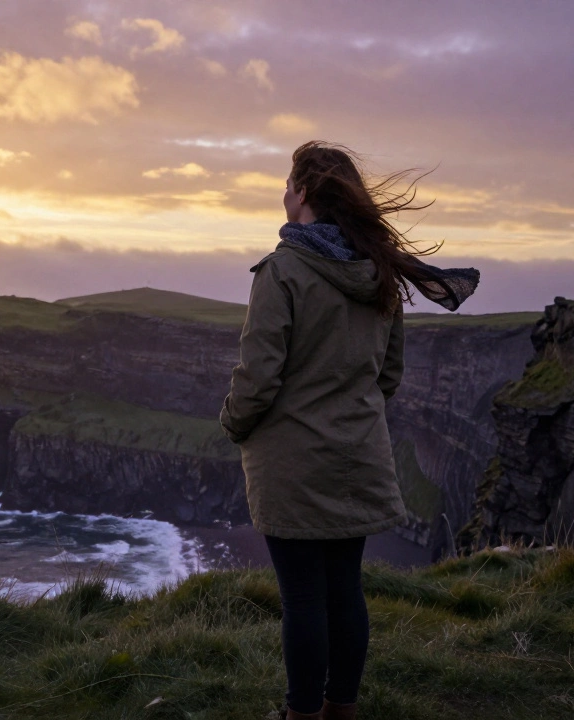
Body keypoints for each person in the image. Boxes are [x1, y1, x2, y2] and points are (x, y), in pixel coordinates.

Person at [219, 141, 479, 720]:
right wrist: (349, 414)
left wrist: (234, 424)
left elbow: (258, 377)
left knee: (303, 598)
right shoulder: (378, 273)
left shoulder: (282, 271)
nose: (284, 195)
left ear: (304, 193)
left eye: (288, 185)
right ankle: (342, 711)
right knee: (344, 591)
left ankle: (302, 714)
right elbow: (388, 374)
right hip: (358, 455)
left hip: (292, 462)